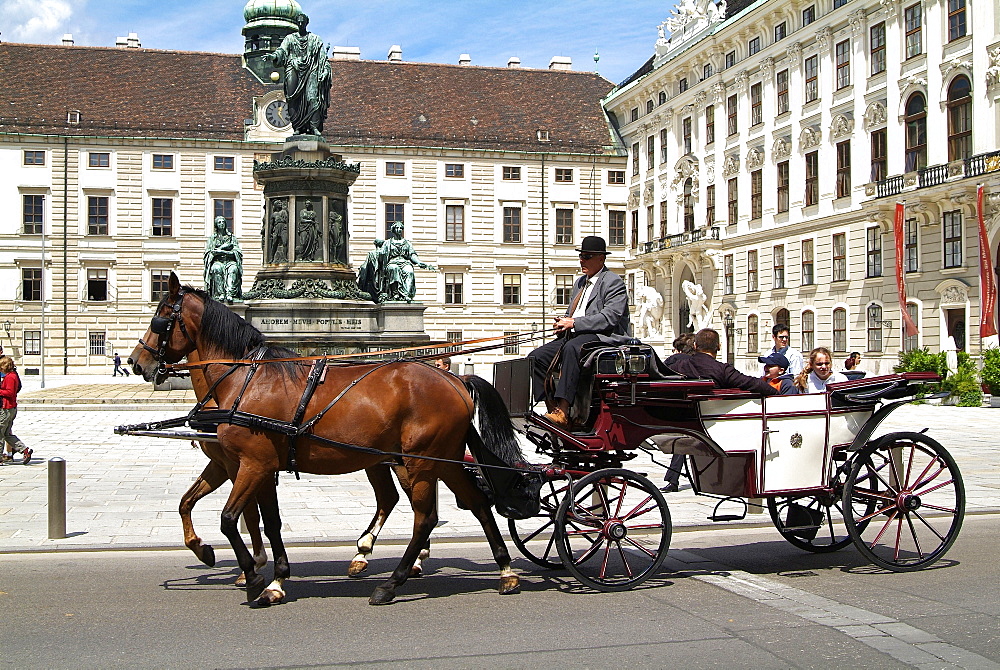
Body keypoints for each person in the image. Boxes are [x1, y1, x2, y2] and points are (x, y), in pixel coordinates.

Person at [530, 236, 631, 428]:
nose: (582, 260)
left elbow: (609, 317)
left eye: (587, 256)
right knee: (536, 357)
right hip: (576, 334)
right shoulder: (580, 283)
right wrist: (563, 323)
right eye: (581, 256)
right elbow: (573, 313)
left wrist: (574, 322)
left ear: (601, 259)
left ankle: (564, 409)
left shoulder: (613, 282)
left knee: (572, 349)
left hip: (604, 336)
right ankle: (551, 406)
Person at [267, 13, 332, 136]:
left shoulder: (315, 39)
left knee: (313, 98)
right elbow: (281, 51)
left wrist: (325, 71)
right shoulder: (290, 39)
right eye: (299, 22)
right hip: (293, 68)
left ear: (307, 23)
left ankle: (314, 127)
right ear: (297, 23)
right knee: (292, 98)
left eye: (303, 22)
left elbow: (323, 58)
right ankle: (298, 127)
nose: (301, 24)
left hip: (312, 70)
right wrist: (274, 56)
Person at [665, 328, 778, 396]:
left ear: (695, 346)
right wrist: (778, 395)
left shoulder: (678, 366)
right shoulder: (723, 370)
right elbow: (753, 383)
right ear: (718, 347)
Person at [358, 221, 435, 303]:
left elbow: (412, 255)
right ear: (393, 230)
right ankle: (395, 294)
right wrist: (377, 253)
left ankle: (407, 295)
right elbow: (381, 255)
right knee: (394, 269)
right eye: (397, 228)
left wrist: (419, 262)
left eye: (401, 228)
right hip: (392, 262)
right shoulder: (388, 243)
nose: (399, 230)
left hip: (404, 262)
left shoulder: (407, 243)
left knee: (409, 271)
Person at [203, 215, 243, 303]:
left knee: (234, 269)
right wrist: (217, 251)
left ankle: (230, 294)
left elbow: (237, 252)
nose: (221, 224)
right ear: (216, 225)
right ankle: (220, 293)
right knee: (216, 268)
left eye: (223, 222)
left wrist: (222, 252)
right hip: (218, 262)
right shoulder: (213, 239)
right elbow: (208, 252)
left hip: (230, 261)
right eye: (219, 222)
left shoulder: (232, 238)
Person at [0, 356, 32, 465]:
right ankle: (24, 450)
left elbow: (10, 392)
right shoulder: (12, 376)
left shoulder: (10, 377)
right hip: (11, 407)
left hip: (6, 408)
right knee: (7, 434)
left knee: (0, 433)